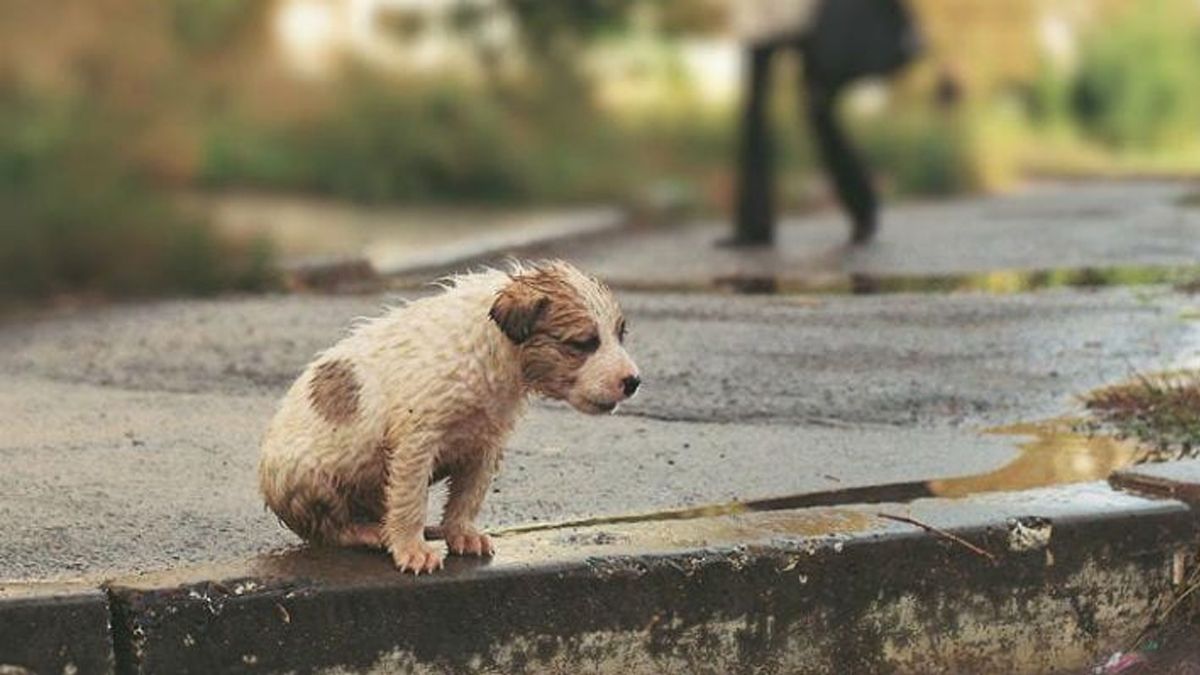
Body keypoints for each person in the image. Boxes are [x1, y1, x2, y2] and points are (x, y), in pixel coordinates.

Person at [730, 0, 921, 246]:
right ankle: (754, 224)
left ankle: (861, 203)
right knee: (760, 114)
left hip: (809, 15)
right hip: (763, 15)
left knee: (815, 111)